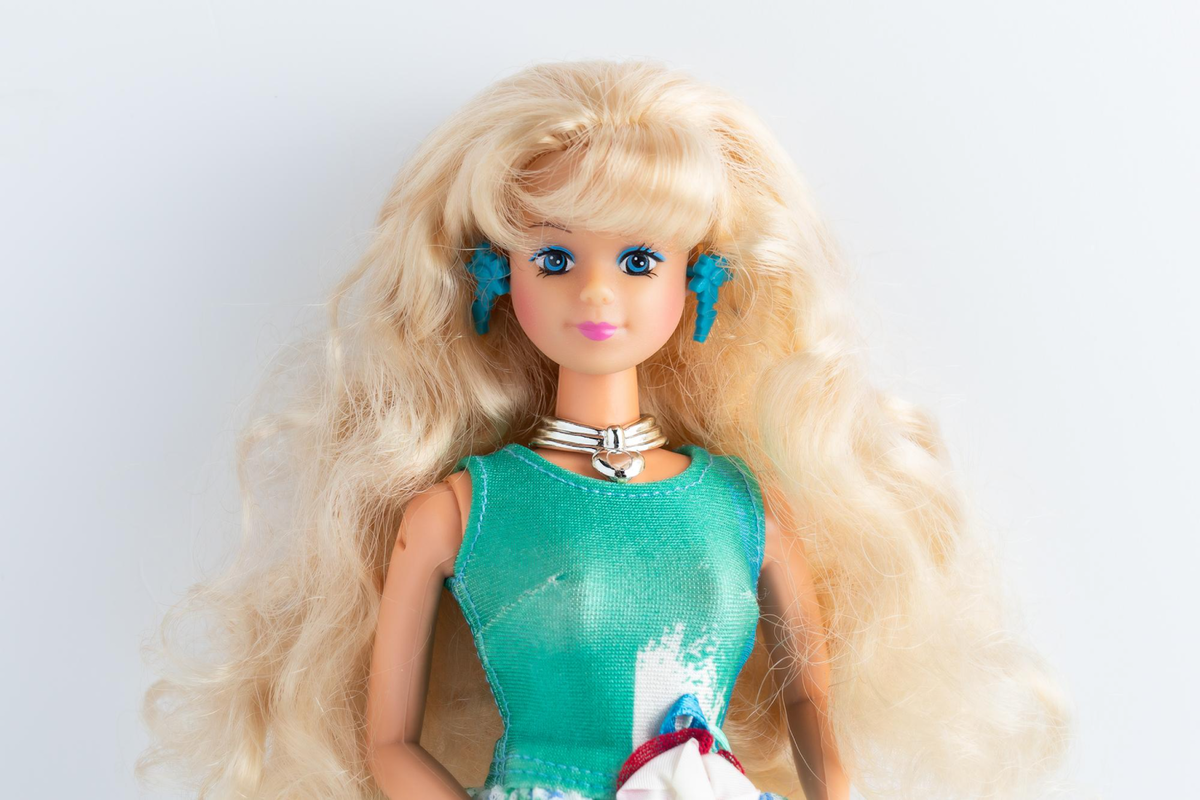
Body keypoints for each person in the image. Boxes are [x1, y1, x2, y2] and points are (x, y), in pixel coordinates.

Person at [140, 59, 1069, 800]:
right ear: (498, 279)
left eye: (637, 260)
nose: (595, 293)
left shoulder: (743, 507)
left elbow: (810, 702)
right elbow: (390, 744)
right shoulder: (460, 510)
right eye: (554, 258)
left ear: (694, 282)